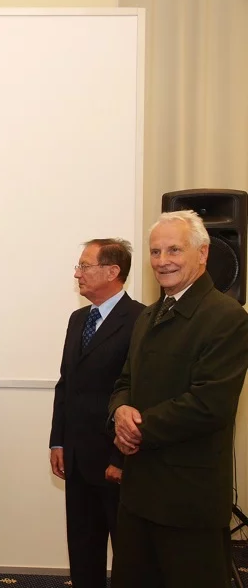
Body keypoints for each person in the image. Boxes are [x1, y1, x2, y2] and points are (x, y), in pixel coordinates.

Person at [109, 210, 248, 587]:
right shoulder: (148, 316)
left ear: (202, 253)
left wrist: (137, 428)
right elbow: (125, 380)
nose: (162, 261)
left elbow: (210, 404)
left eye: (174, 250)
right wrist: (119, 410)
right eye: (155, 251)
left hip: (189, 499)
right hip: (139, 494)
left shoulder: (226, 317)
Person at [49, 238, 144, 588]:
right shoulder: (78, 319)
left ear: (112, 271)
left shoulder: (141, 319)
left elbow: (139, 393)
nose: (77, 274)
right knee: (82, 550)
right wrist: (58, 442)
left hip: (114, 461)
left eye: (84, 266)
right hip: (76, 459)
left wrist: (121, 458)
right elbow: (66, 384)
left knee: (128, 555)